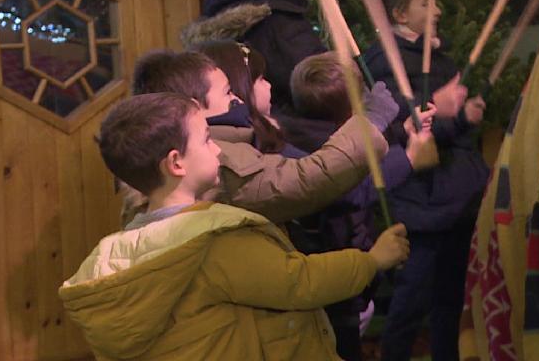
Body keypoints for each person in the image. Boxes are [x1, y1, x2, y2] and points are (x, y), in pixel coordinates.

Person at [59, 92, 410, 360]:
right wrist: (372, 260)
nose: (218, 149)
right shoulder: (212, 242)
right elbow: (301, 281)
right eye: (207, 139)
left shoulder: (115, 256)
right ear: (176, 162)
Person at [363, 0, 490, 361]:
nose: (436, 10)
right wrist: (443, 107)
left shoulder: (440, 55)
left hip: (454, 199)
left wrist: (465, 115)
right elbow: (396, 126)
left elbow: (444, 127)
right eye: (425, 3)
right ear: (400, 14)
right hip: (422, 203)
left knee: (450, 299)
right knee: (412, 299)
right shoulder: (384, 63)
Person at [287, 52, 441, 361]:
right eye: (363, 101)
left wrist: (404, 132)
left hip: (348, 277)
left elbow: (360, 148)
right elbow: (352, 185)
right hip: (337, 284)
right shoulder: (311, 150)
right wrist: (409, 158)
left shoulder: (312, 130)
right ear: (350, 113)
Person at [129, 49, 395, 226]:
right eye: (227, 92)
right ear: (192, 107)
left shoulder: (199, 148)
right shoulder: (215, 157)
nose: (237, 100)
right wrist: (372, 120)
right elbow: (305, 180)